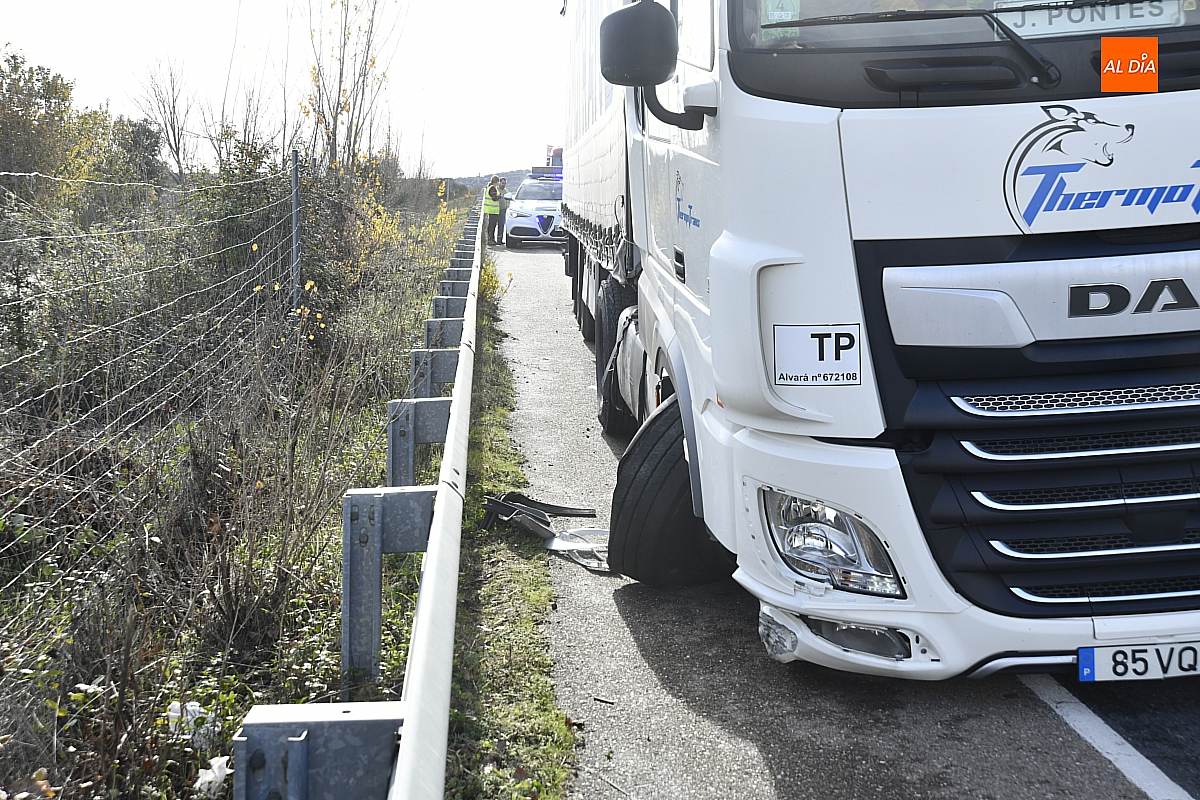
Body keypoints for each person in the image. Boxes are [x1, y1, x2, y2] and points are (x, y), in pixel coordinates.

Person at [483, 175, 502, 245]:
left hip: (493, 210)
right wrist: (500, 197)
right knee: (491, 226)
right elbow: (494, 198)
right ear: (496, 182)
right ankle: (490, 239)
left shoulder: (493, 188)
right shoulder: (492, 188)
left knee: (493, 226)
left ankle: (492, 239)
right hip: (492, 210)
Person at [497, 177, 510, 245]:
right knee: (493, 226)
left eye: (505, 183)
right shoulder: (496, 190)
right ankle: (491, 239)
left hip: (503, 210)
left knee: (501, 225)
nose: (504, 185)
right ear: (499, 182)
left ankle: (499, 240)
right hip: (495, 210)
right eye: (502, 183)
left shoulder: (506, 191)